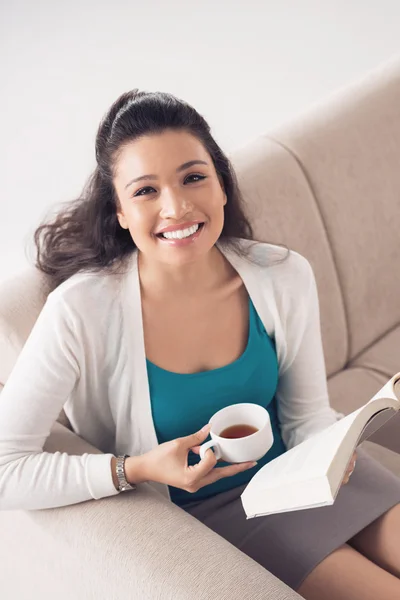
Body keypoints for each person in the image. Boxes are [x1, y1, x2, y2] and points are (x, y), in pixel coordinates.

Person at [0, 89, 399, 599]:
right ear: (119, 211)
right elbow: (8, 470)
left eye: (193, 177)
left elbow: (305, 417)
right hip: (218, 509)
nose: (177, 206)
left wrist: (333, 449)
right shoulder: (79, 312)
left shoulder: (282, 275)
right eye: (146, 190)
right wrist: (134, 469)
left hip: (306, 476)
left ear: (222, 185)